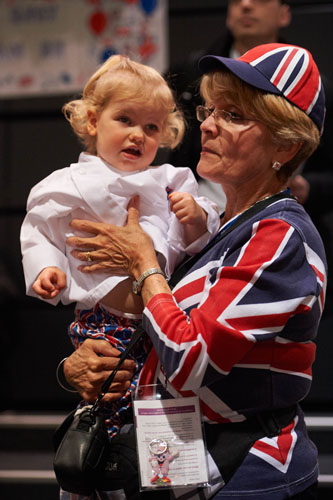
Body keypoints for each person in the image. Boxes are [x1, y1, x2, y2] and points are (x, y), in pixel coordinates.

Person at [62, 42, 327, 500]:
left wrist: (144, 263)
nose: (207, 124)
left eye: (234, 114)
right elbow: (145, 332)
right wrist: (77, 368)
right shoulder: (212, 225)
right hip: (177, 469)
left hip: (246, 478)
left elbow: (188, 360)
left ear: (287, 144)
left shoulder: (280, 237)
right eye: (210, 108)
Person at [20, 55, 220, 436]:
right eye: (125, 120)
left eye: (151, 126)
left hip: (164, 320)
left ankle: (162, 480)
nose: (137, 135)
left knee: (165, 410)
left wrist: (195, 215)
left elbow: (201, 236)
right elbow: (40, 229)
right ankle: (101, 477)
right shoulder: (70, 182)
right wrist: (47, 267)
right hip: (102, 320)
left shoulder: (170, 180)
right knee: (108, 403)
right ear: (93, 122)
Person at [166, 0, 292, 211]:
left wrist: (310, 188)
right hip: (197, 212)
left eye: (234, 115)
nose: (245, 4)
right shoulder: (192, 70)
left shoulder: (303, 87)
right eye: (208, 110)